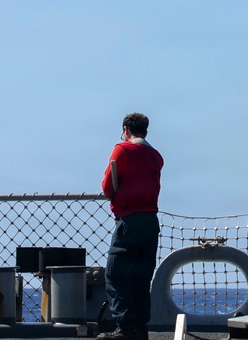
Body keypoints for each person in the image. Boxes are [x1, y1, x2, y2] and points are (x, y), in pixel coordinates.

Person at [99, 113, 163, 340]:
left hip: (129, 219)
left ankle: (125, 327)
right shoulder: (155, 156)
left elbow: (108, 185)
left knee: (116, 274)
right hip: (150, 220)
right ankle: (140, 327)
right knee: (141, 276)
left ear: (126, 129)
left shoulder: (122, 150)